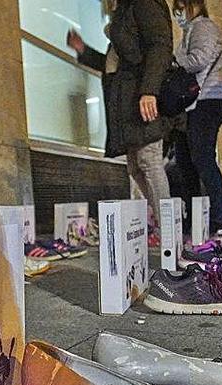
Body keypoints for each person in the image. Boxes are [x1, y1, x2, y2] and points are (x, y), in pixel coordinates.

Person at [67, 0, 173, 229]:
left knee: (150, 161)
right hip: (128, 102)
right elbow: (115, 64)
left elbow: (159, 46)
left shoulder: (142, 4)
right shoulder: (125, 9)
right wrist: (83, 50)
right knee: (136, 166)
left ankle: (171, 233)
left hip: (142, 97)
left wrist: (149, 90)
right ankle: (167, 229)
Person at [171, 0, 222, 234]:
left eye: (180, 8)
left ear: (193, 5)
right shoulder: (191, 29)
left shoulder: (203, 26)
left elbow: (199, 59)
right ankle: (197, 218)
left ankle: (220, 217)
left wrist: (175, 62)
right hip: (200, 101)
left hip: (209, 98)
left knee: (202, 158)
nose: (178, 14)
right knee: (188, 160)